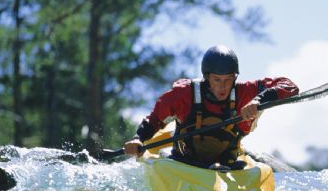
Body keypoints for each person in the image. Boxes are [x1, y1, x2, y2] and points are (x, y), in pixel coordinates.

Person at [124, 45, 299, 168]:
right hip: (183, 164)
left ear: (234, 77)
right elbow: (155, 119)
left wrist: (258, 100)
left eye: (228, 79)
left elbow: (289, 85)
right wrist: (138, 138)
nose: (223, 86)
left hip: (226, 166)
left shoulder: (244, 92)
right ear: (207, 77)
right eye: (217, 80)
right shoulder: (184, 94)